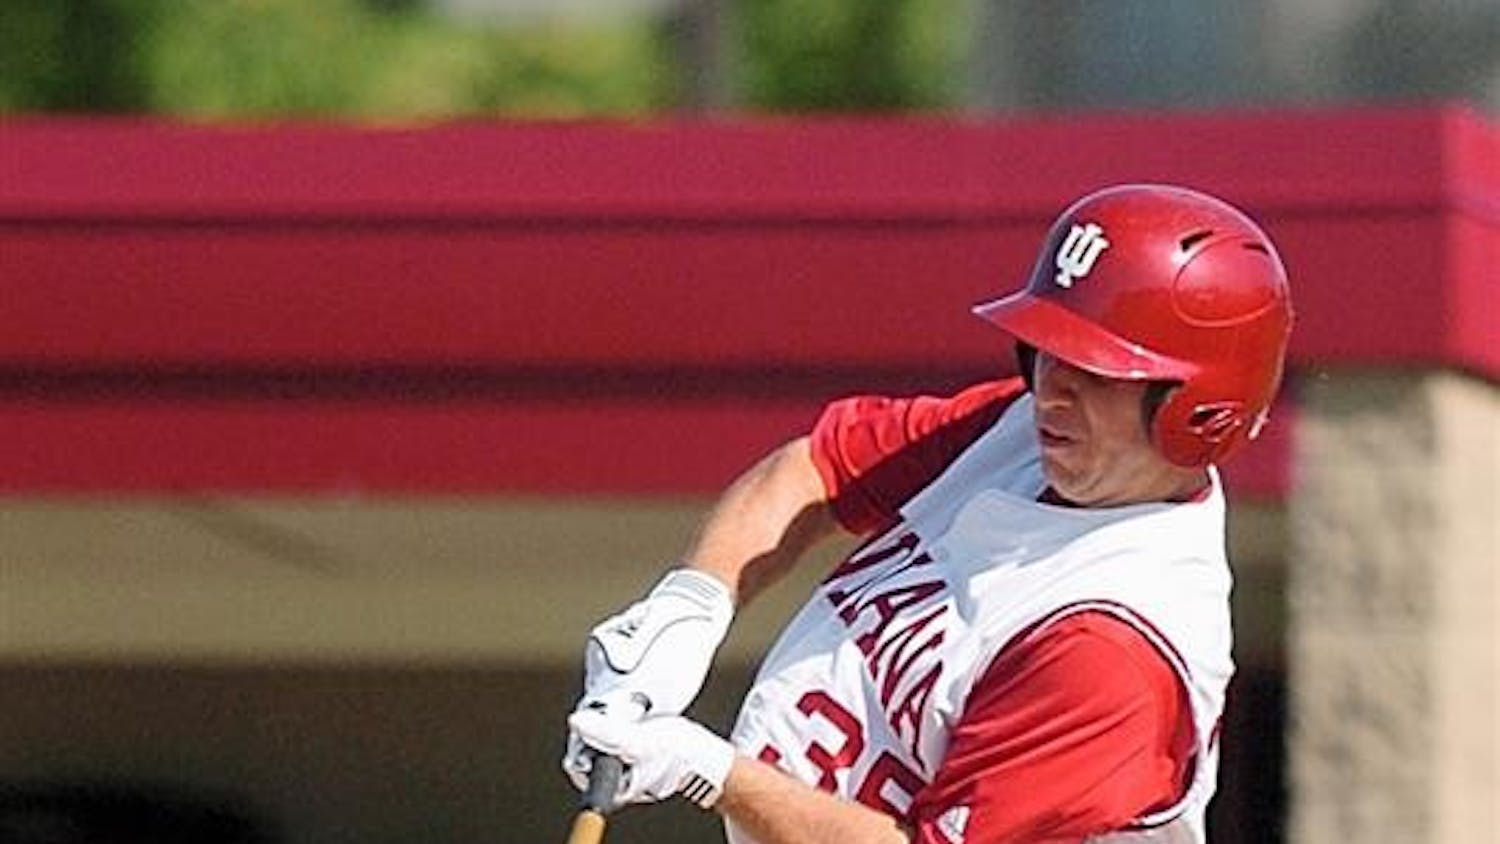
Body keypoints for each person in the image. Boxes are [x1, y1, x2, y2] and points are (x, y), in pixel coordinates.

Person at [562, 183, 1294, 843]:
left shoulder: (1110, 646)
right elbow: (814, 470)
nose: (1052, 389)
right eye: (1045, 352)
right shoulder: (1021, 433)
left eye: (1098, 371)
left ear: (1201, 414)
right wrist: (690, 607)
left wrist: (711, 772)